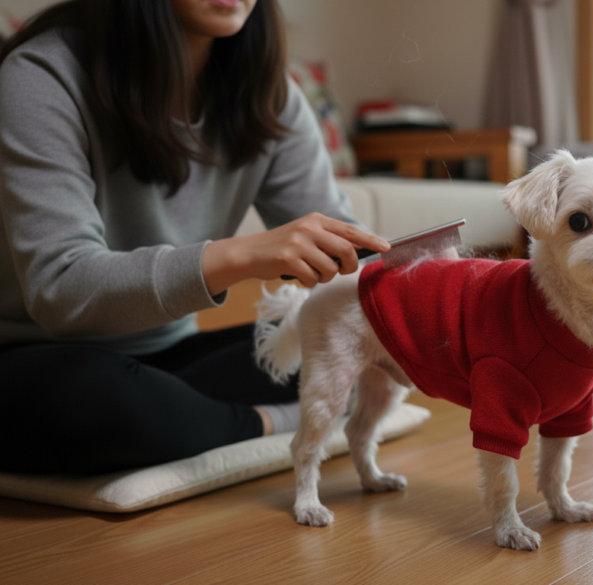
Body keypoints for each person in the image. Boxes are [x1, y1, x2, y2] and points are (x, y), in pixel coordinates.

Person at [0, 0, 389, 475]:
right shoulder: (41, 75)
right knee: (100, 403)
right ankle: (267, 422)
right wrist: (241, 254)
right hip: (37, 356)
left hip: (172, 356)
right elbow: (60, 288)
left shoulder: (271, 96)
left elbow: (346, 253)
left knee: (341, 343)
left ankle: (202, 422)